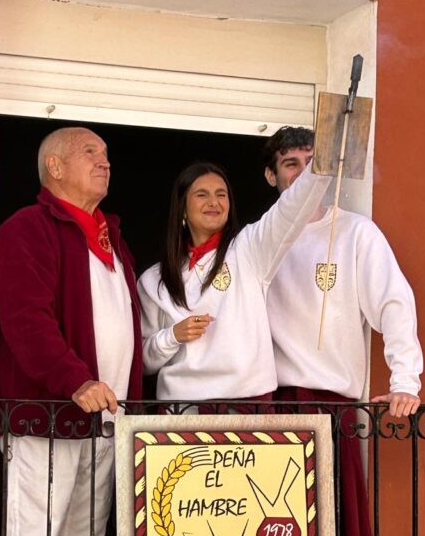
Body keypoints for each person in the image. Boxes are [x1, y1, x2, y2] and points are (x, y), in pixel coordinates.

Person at [0, 126, 142, 536]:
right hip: (50, 418)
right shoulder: (27, 229)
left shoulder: (112, 243)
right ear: (54, 167)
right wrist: (74, 380)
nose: (104, 162)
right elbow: (25, 319)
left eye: (107, 155)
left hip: (104, 425)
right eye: (90, 153)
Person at [262, 126, 423, 536]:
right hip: (270, 408)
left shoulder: (356, 233)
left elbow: (393, 303)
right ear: (271, 175)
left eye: (313, 164)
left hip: (332, 409)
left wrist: (405, 381)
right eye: (291, 164)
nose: (304, 174)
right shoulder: (258, 240)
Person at [137, 160, 330, 403]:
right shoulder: (153, 280)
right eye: (202, 194)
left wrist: (325, 156)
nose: (214, 202)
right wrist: (172, 336)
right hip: (181, 408)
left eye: (221, 194)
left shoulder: (249, 249)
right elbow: (142, 363)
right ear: (182, 208)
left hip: (247, 406)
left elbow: (291, 207)